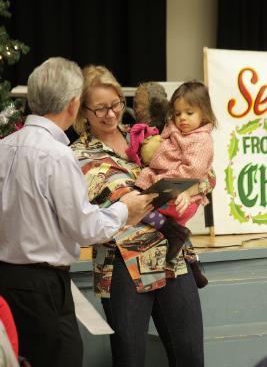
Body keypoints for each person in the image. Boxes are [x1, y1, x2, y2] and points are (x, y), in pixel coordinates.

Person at [0, 57, 156, 367]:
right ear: (74, 105)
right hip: (43, 284)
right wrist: (125, 211)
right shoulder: (57, 155)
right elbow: (84, 228)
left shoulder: (5, 146)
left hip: (7, 280)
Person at [72, 66, 216, 367]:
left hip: (172, 258)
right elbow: (132, 201)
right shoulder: (79, 154)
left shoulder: (145, 136)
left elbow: (207, 173)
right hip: (124, 265)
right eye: (100, 109)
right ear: (83, 110)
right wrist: (181, 186)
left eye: (115, 104)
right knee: (130, 360)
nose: (110, 114)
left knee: (191, 357)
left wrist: (191, 189)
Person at [132, 81, 217, 263]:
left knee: (140, 207)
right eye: (177, 114)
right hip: (172, 192)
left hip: (179, 196)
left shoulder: (201, 140)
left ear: (204, 113)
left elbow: (193, 170)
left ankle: (176, 235)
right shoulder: (176, 130)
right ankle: (190, 260)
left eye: (189, 113)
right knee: (176, 244)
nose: (182, 119)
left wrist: (164, 180)